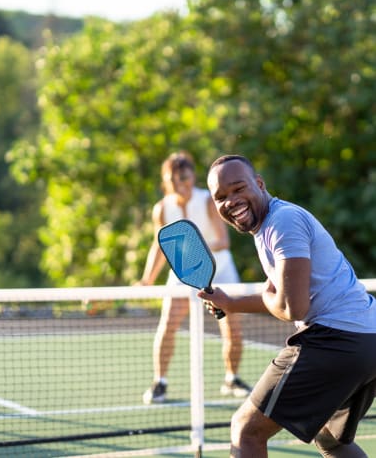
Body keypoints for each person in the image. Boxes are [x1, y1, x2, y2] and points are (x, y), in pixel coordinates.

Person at [201, 154, 376, 457]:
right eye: (221, 197)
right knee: (329, 437)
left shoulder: (282, 221)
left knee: (245, 430)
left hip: (336, 338)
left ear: (259, 183)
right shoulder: (269, 225)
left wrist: (270, 296)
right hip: (367, 339)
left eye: (238, 188)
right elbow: (282, 298)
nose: (230, 201)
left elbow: (292, 307)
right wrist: (230, 303)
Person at [139, 151, 251, 404]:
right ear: (166, 181)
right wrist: (147, 279)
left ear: (192, 176)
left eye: (185, 177)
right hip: (181, 275)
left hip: (220, 270)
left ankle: (231, 378)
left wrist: (195, 252)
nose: (181, 182)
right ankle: (160, 382)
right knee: (168, 324)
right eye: (174, 178)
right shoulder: (162, 209)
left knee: (231, 326)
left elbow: (223, 241)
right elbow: (159, 246)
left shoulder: (208, 201)